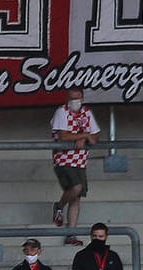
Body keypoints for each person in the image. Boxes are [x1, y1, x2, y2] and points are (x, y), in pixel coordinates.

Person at [50, 90, 100, 242]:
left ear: (83, 98)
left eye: (77, 98)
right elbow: (63, 135)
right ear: (67, 99)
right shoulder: (61, 112)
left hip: (80, 160)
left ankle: (71, 234)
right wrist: (84, 135)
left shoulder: (87, 112)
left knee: (77, 198)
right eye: (72, 98)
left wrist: (85, 138)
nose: (75, 101)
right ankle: (59, 205)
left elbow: (96, 135)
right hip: (63, 159)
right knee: (76, 188)